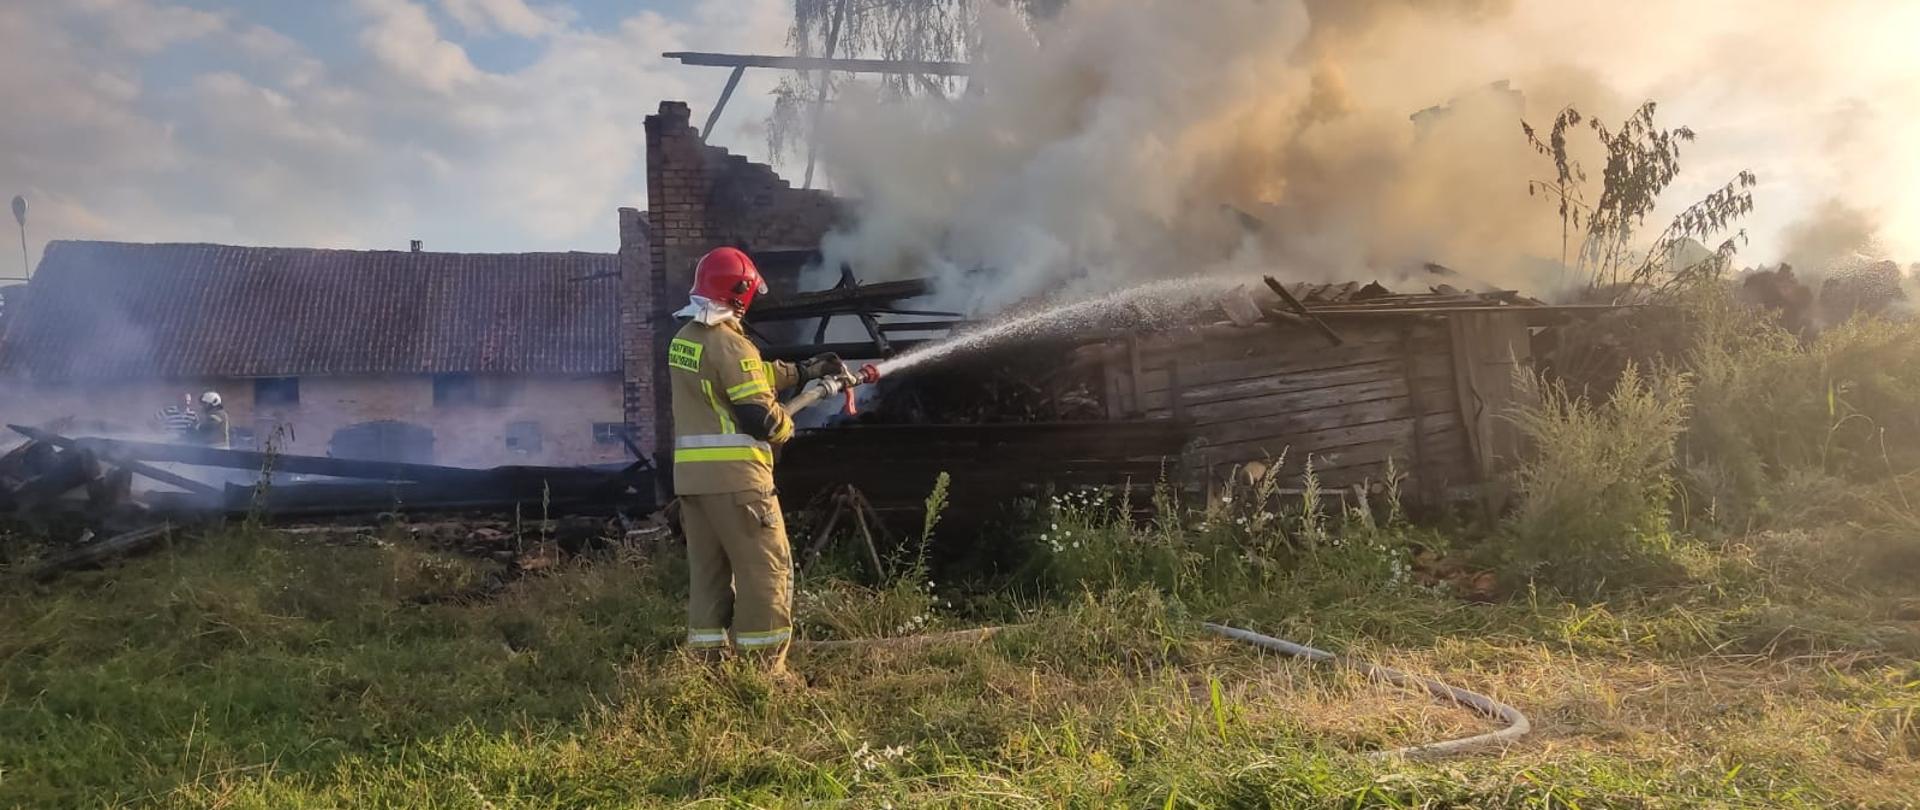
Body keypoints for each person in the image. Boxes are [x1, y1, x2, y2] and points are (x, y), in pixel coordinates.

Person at [667, 246, 844, 674]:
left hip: (694, 485)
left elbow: (742, 374)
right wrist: (787, 425)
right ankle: (764, 674)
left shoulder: (686, 339)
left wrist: (803, 372)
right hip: (740, 484)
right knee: (766, 574)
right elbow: (761, 417)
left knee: (708, 578)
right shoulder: (732, 345)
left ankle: (705, 668)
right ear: (741, 292)